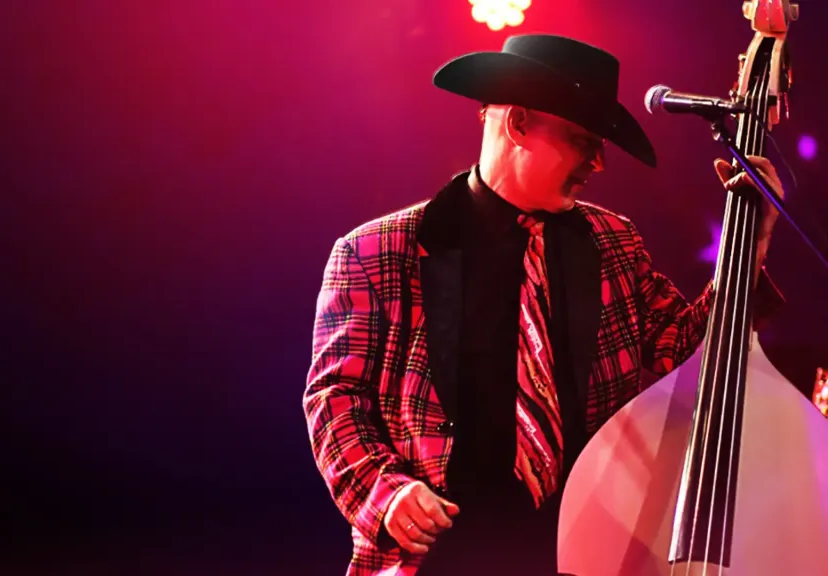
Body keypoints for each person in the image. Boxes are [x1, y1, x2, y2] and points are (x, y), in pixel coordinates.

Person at [302, 34, 787, 575]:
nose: (598, 163)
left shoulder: (612, 241)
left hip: (588, 552)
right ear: (518, 123)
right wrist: (385, 493)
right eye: (583, 141)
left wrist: (749, 250)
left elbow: (689, 352)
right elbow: (335, 398)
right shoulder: (376, 251)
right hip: (441, 556)